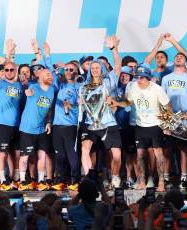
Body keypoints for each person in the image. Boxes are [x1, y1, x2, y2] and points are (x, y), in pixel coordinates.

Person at [112, 65, 172, 191]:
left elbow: (167, 105)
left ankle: (161, 182)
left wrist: (167, 124)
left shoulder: (156, 89)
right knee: (139, 155)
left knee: (158, 153)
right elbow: (128, 102)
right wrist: (117, 103)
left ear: (148, 78)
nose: (139, 80)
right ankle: (141, 181)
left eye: (142, 78)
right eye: (138, 77)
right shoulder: (133, 87)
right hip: (140, 126)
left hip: (155, 125)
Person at [79, 60, 122, 185]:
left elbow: (118, 68)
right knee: (85, 149)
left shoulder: (108, 83)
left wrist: (114, 49)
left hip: (108, 123)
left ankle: (115, 177)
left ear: (102, 69)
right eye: (93, 68)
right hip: (90, 122)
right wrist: (80, 103)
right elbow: (81, 105)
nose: (95, 70)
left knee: (116, 154)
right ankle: (88, 179)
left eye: (98, 67)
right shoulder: (84, 86)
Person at [161, 52, 187, 190]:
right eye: (176, 56)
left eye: (181, 57)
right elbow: (162, 98)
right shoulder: (166, 78)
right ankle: (165, 177)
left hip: (183, 118)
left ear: (185, 62)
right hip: (169, 118)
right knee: (167, 149)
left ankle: (183, 177)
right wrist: (165, 120)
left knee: (183, 149)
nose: (178, 57)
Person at [0, 60, 24, 189]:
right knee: (2, 153)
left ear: (16, 71)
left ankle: (16, 178)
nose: (8, 72)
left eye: (11, 70)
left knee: (17, 153)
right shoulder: (0, 83)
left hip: (18, 125)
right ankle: (2, 180)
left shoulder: (20, 85)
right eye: (6, 70)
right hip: (3, 124)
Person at [18, 68, 56, 191]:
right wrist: (28, 92)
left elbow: (50, 108)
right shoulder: (34, 87)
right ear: (40, 76)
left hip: (41, 128)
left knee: (42, 155)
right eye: (47, 74)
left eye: (51, 74)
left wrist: (49, 122)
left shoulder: (52, 90)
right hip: (28, 128)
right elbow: (29, 91)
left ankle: (40, 181)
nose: (50, 76)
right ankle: (22, 181)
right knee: (25, 156)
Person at [52, 60, 82, 190]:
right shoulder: (60, 85)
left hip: (70, 126)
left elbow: (81, 105)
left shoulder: (79, 87)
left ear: (76, 72)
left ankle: (75, 179)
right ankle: (61, 180)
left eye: (71, 70)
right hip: (57, 125)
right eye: (67, 69)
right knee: (60, 155)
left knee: (71, 154)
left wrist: (72, 106)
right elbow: (49, 75)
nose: (68, 72)